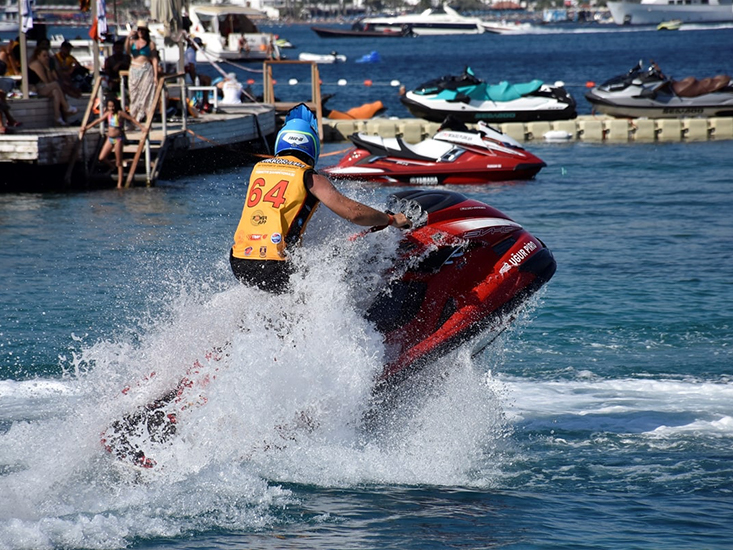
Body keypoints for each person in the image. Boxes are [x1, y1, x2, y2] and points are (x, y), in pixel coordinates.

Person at [230, 104, 411, 294]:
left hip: (239, 261)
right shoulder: (310, 178)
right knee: (336, 276)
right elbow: (354, 213)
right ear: (312, 145)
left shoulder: (258, 169)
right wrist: (390, 219)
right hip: (274, 266)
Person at [82, 97, 143, 188]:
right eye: (109, 106)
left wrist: (142, 127)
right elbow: (98, 120)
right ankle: (112, 167)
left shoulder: (120, 113)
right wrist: (86, 127)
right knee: (101, 157)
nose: (111, 108)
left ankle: (120, 183)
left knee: (119, 161)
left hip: (118, 139)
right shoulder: (108, 114)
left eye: (113, 106)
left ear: (116, 106)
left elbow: (131, 119)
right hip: (110, 139)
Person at [28, 46, 77, 126]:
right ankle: (66, 106)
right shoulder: (36, 64)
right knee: (55, 85)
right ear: (38, 56)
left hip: (39, 87)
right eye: (44, 56)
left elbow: (50, 80)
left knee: (56, 91)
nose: (46, 58)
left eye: (47, 56)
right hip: (32, 88)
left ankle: (57, 117)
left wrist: (48, 68)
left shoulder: (44, 65)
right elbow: (46, 81)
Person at [125, 21, 159, 122]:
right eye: (139, 30)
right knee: (134, 95)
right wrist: (128, 37)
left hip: (145, 70)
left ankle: (147, 120)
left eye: (143, 30)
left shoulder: (150, 44)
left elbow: (154, 59)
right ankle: (133, 119)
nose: (141, 32)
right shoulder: (132, 42)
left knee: (146, 96)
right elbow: (127, 51)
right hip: (134, 69)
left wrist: (155, 76)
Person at [184, 36, 211, 111]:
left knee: (206, 79)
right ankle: (204, 102)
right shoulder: (191, 52)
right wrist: (194, 79)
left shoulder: (192, 52)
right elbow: (191, 67)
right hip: (188, 75)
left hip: (189, 74)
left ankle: (204, 101)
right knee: (207, 80)